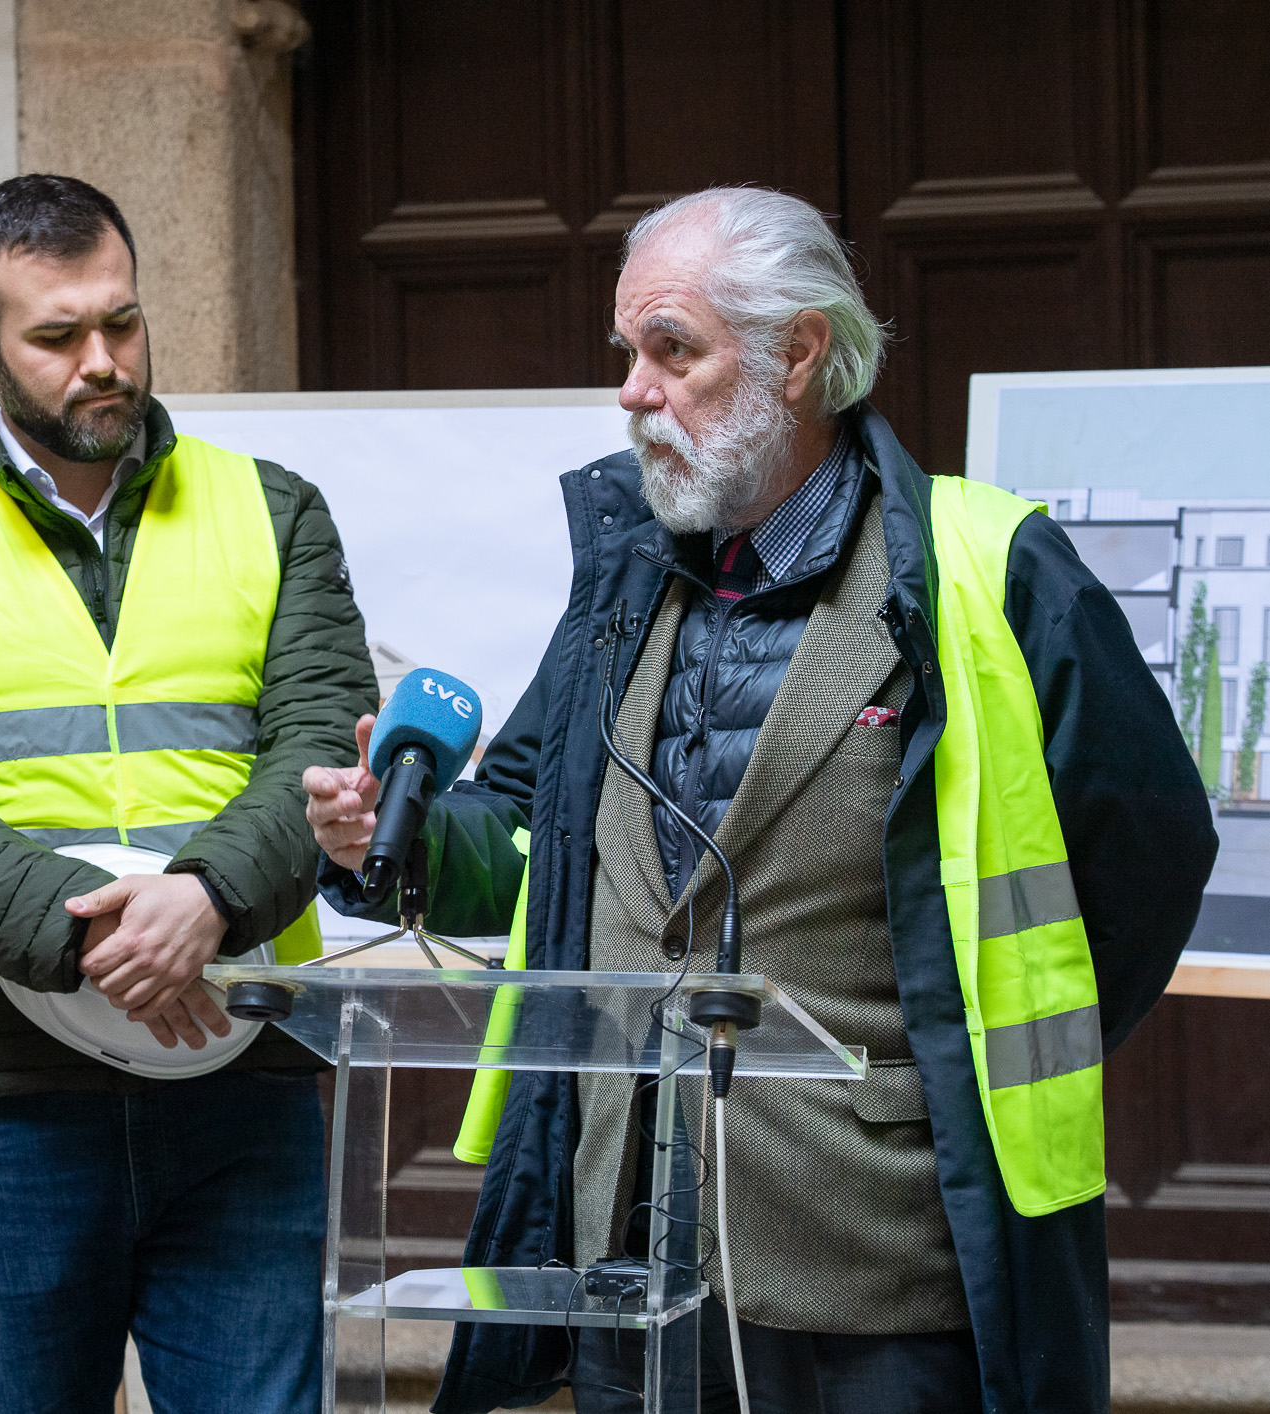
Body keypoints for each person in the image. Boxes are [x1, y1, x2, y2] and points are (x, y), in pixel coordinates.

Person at [303, 187, 1217, 1414]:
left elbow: (1148, 851)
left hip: (879, 1266)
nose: (634, 390)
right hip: (630, 1249)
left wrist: (962, 1060)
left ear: (798, 353)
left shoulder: (988, 573)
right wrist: (387, 846)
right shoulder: (623, 585)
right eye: (629, 354)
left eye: (673, 350)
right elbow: (531, 837)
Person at [0, 174, 376, 1411]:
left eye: (120, 323)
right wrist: (121, 932)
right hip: (7, 1094)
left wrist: (209, 897)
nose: (102, 362)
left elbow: (322, 746)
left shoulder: (275, 511)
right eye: (58, 337)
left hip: (246, 1068)